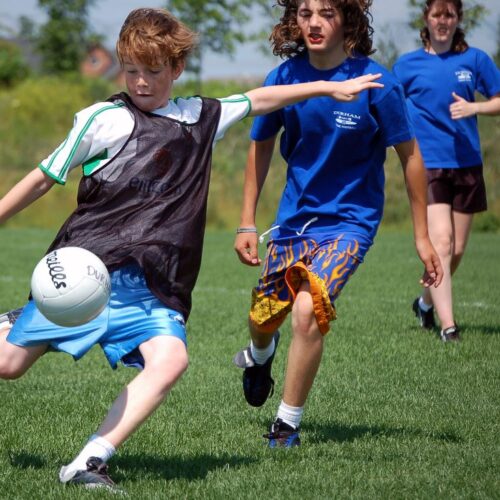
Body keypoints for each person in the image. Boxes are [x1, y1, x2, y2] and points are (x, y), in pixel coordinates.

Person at [0, 7, 385, 490]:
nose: (141, 82)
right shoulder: (103, 119)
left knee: (172, 360)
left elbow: (259, 99)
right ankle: (15, 321)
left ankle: (88, 462)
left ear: (176, 67)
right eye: (131, 71)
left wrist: (326, 87)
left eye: (153, 71)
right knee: (8, 366)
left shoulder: (199, 117)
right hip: (86, 274)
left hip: (155, 289)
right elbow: (44, 177)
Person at [232, 0, 443, 448]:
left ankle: (286, 424)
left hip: (351, 221)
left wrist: (422, 236)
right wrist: (246, 221)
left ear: (347, 18)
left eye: (326, 12)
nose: (314, 22)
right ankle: (261, 356)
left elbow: (411, 158)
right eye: (305, 12)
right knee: (263, 319)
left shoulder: (377, 83)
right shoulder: (283, 78)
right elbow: (260, 146)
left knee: (308, 310)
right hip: (294, 221)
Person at [393, 0, 500, 342]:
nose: (443, 21)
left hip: (467, 163)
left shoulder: (476, 60)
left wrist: (475, 107)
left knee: (456, 251)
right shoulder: (406, 65)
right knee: (441, 242)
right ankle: (448, 327)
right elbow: (389, 107)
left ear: (457, 19)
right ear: (426, 18)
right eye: (437, 14)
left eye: (449, 15)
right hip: (428, 165)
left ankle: (425, 303)